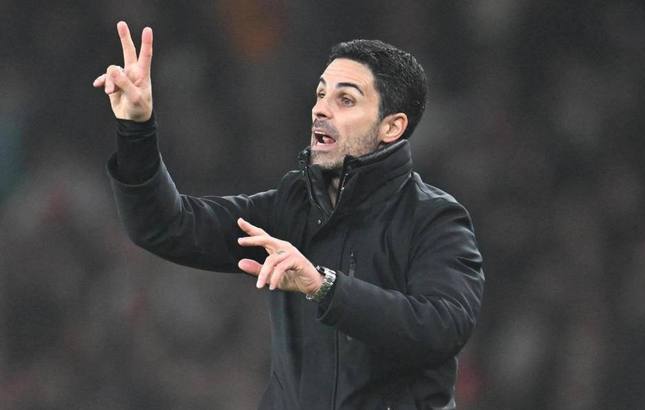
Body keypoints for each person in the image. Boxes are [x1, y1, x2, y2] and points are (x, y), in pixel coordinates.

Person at [94, 21, 485, 410]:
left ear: (391, 126)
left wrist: (325, 286)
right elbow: (167, 226)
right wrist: (136, 129)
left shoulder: (434, 219)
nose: (320, 109)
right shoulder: (292, 206)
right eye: (320, 94)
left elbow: (443, 327)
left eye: (345, 100)